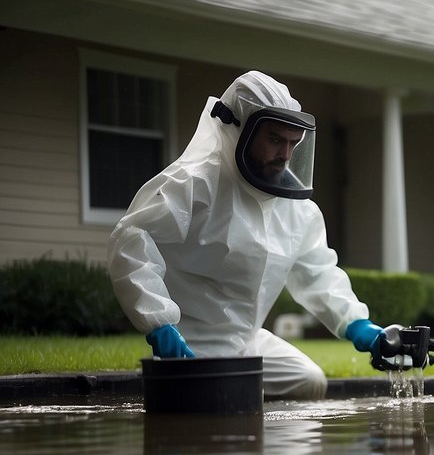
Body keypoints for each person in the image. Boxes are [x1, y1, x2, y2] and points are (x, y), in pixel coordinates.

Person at [108, 70, 397, 400]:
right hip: (188, 346)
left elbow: (318, 275)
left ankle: (279, 453)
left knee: (309, 380)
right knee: (207, 417)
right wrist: (159, 323)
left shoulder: (297, 210)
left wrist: (360, 326)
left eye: (293, 143)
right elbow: (133, 241)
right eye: (275, 139)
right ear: (238, 128)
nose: (286, 155)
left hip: (247, 342)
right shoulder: (191, 186)